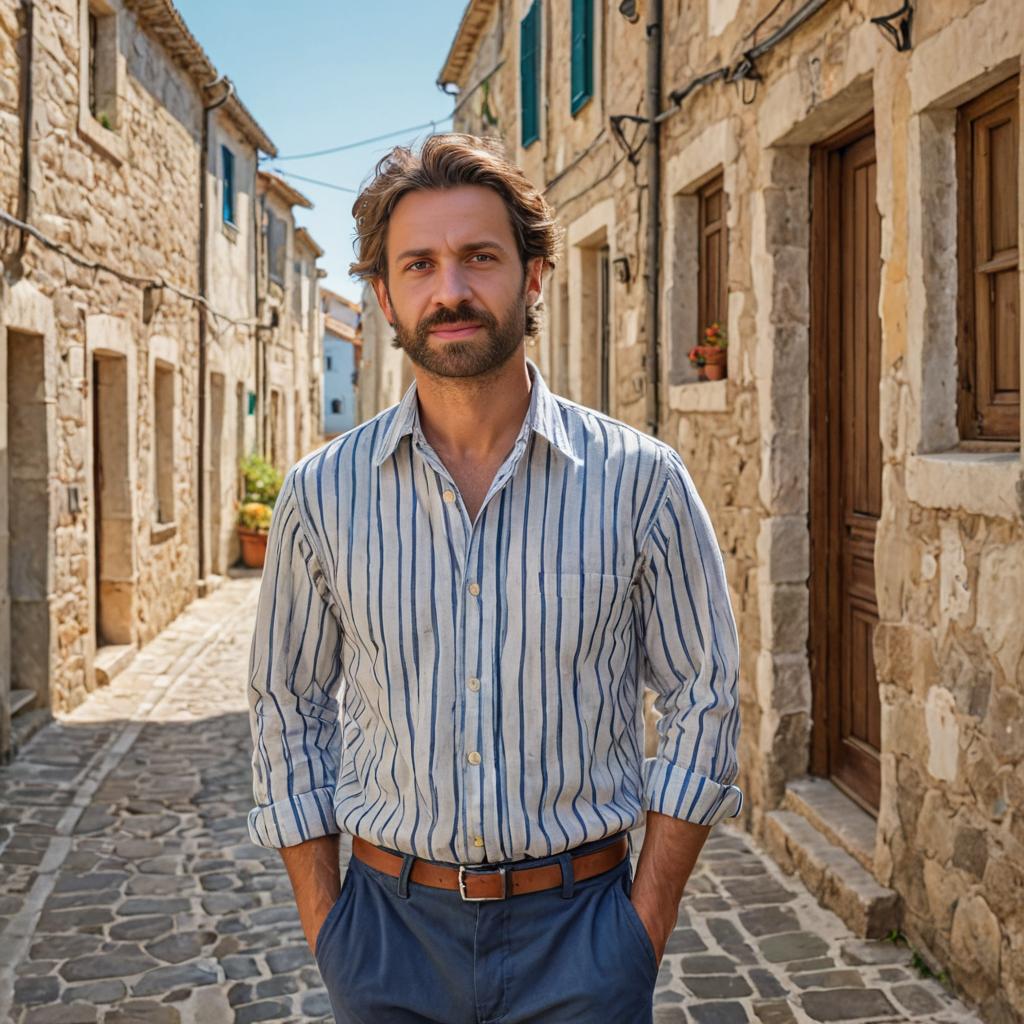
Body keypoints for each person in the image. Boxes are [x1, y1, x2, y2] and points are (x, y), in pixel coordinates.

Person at [246, 133, 742, 1024]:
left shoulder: (641, 480)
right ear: (383, 296)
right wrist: (330, 926)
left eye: (480, 257)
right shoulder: (319, 495)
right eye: (420, 265)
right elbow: (287, 703)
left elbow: (705, 692)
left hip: (584, 938)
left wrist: (646, 920)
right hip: (386, 941)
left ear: (534, 274)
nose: (451, 291)